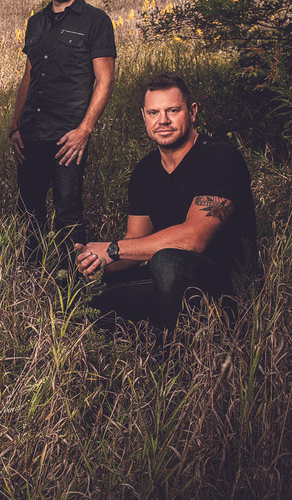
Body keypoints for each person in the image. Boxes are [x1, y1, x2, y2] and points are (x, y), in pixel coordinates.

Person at [75, 72, 257, 331]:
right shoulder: (145, 171)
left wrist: (113, 249)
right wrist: (99, 261)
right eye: (153, 113)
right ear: (144, 117)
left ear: (192, 112)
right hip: (167, 282)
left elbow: (194, 238)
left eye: (173, 110)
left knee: (167, 260)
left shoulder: (220, 157)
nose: (163, 120)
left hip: (224, 285)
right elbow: (134, 243)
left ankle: (178, 348)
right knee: (81, 294)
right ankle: (149, 333)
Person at [9, 0, 116, 272]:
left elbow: (105, 80)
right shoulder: (35, 23)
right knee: (29, 211)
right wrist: (15, 126)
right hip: (31, 134)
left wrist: (84, 130)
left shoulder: (96, 21)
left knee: (68, 213)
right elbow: (28, 76)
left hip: (68, 137)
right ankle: (33, 279)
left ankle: (72, 282)